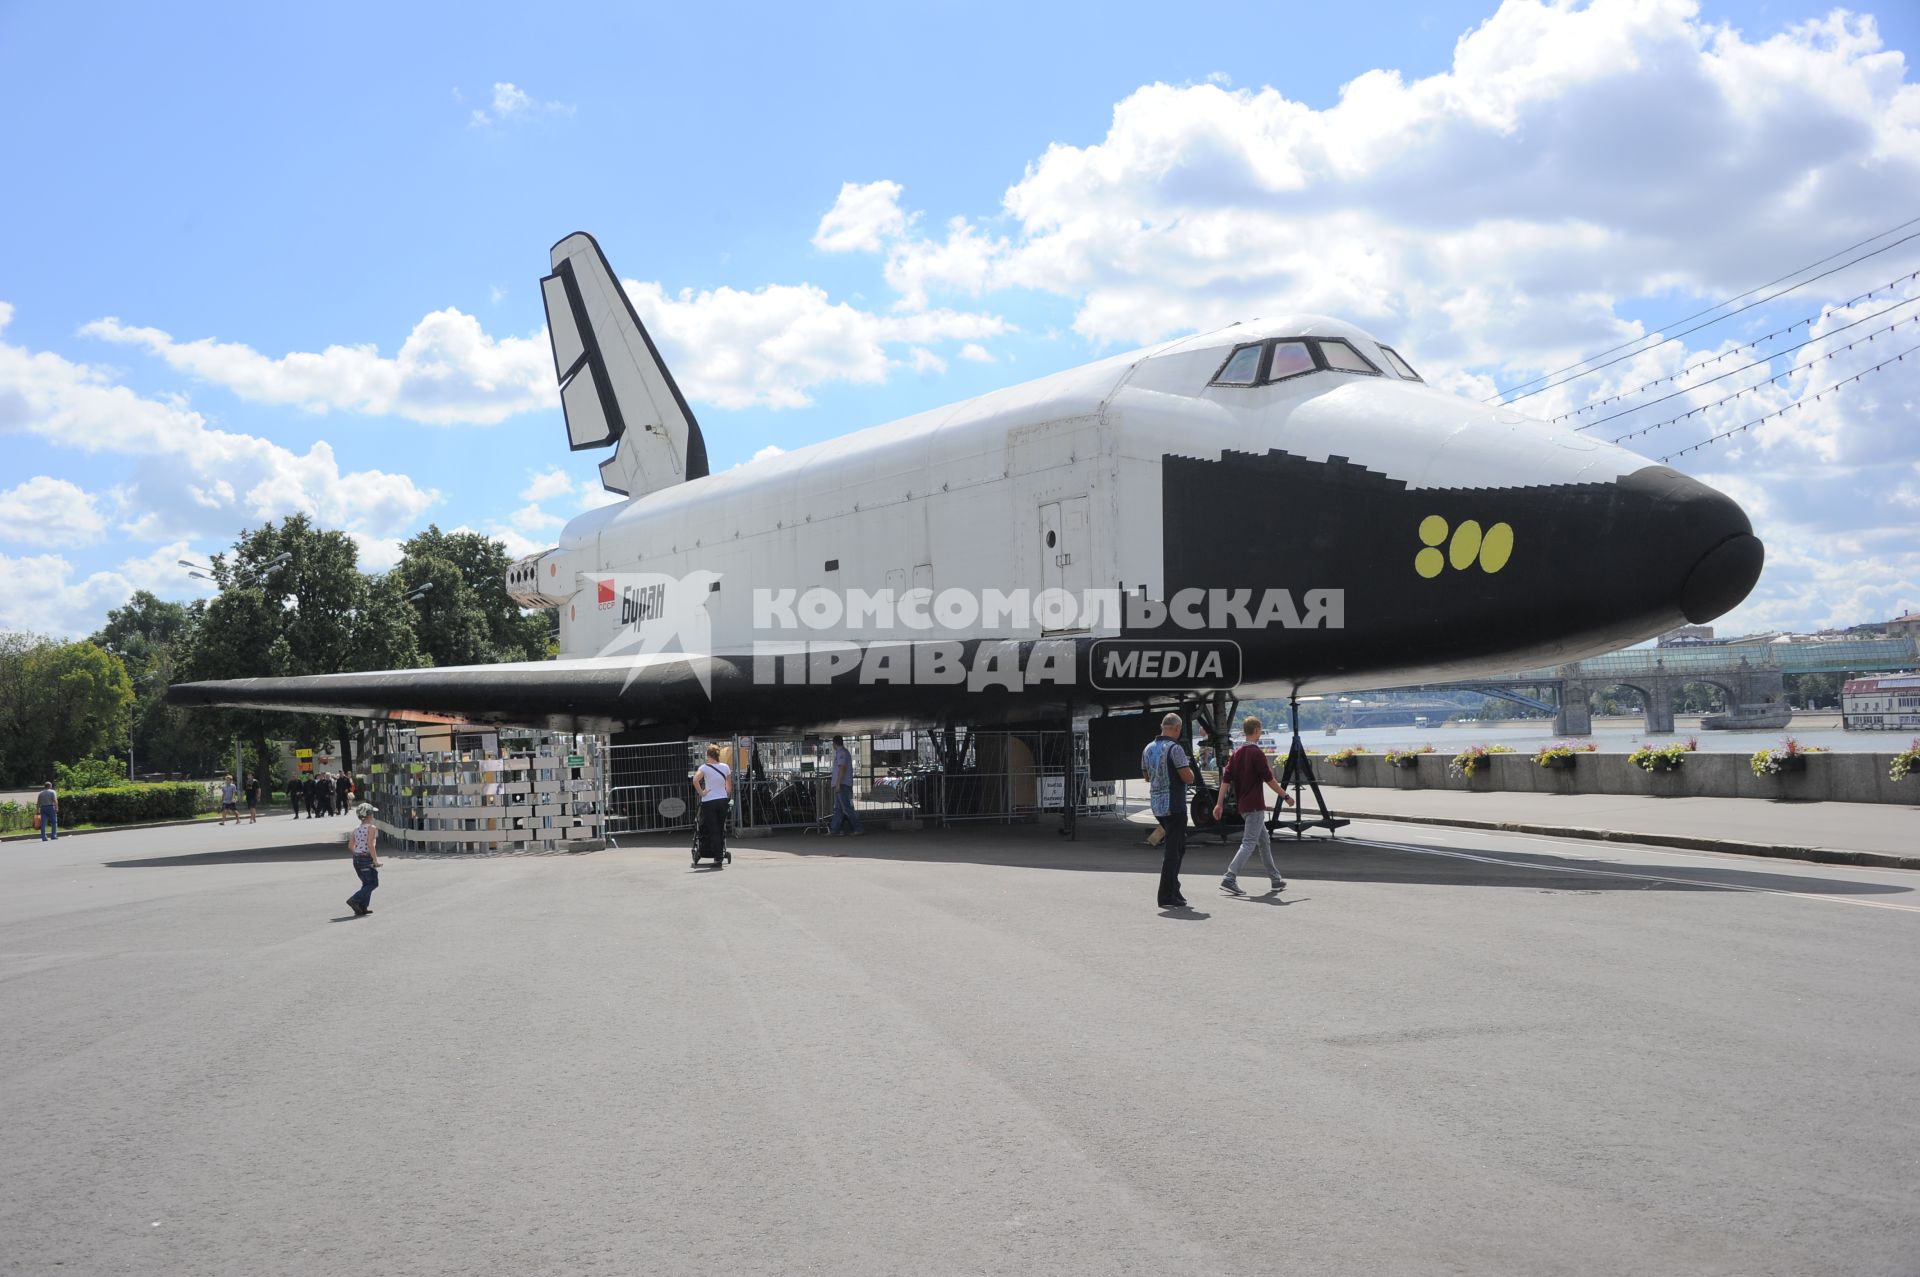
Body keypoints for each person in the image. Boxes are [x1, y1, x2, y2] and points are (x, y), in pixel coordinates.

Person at [1213, 715, 1294, 896]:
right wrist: (1285, 795)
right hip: (1255, 805)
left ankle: (1275, 879)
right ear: (1257, 731)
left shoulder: (1237, 754)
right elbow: (1269, 780)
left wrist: (1218, 804)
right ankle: (1230, 876)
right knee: (1249, 842)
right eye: (1260, 730)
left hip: (1243, 805)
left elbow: (1225, 782)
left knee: (1264, 841)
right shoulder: (1257, 754)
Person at [1143, 714, 1196, 910]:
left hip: (1157, 805)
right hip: (1175, 805)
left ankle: (1174, 889)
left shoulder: (1148, 748)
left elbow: (1147, 776)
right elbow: (1188, 777)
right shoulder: (1175, 749)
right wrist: (1188, 770)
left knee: (1178, 847)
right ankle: (1165, 895)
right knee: (1173, 852)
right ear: (1177, 728)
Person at [693, 744, 733, 867]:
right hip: (722, 800)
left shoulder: (704, 768)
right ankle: (719, 855)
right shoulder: (725, 767)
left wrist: (702, 792)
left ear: (708, 755)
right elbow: (729, 787)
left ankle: (718, 858)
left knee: (713, 830)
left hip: (709, 801)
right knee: (721, 829)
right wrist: (725, 795)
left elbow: (695, 780)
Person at [345, 802, 382, 916]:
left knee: (366, 883)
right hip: (366, 858)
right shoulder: (371, 828)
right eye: (372, 814)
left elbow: (351, 846)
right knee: (373, 883)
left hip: (356, 858)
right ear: (369, 815)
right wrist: (375, 860)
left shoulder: (355, 829)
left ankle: (362, 907)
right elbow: (370, 845)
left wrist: (357, 853)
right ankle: (355, 899)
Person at [827, 735, 862, 836]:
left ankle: (858, 828)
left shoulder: (841, 753)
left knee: (847, 808)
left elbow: (842, 768)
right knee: (838, 809)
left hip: (842, 785)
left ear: (834, 743)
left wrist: (838, 783)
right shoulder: (842, 752)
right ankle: (835, 830)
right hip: (842, 784)